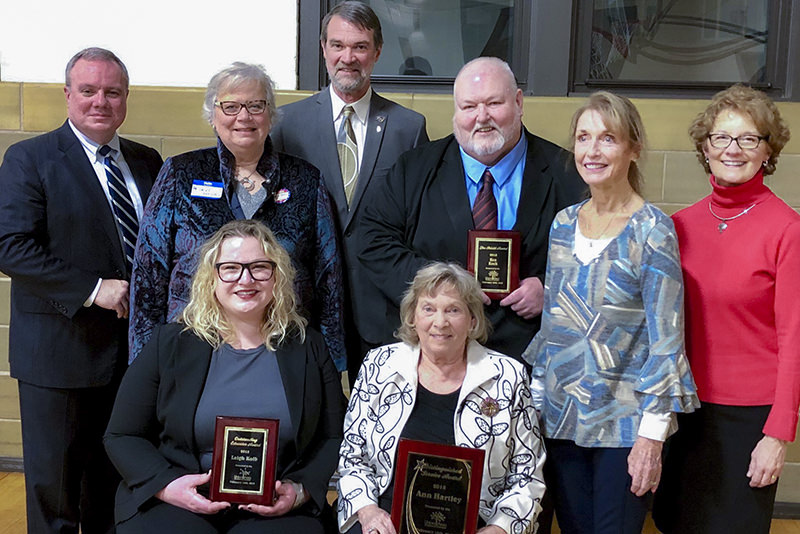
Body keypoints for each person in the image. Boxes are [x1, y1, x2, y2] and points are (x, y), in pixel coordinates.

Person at [0, 47, 163, 533]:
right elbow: (9, 246)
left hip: (132, 357)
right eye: (88, 91)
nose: (100, 102)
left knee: (113, 486)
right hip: (59, 356)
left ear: (127, 98)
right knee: (56, 493)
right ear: (67, 94)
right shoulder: (30, 158)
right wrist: (94, 289)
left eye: (112, 92)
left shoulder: (147, 160)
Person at [523, 91, 699, 534]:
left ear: (633, 148)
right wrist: (536, 410)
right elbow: (555, 327)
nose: (592, 150)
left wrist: (652, 437)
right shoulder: (563, 224)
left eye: (608, 138)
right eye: (584, 138)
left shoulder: (654, 230)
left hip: (624, 428)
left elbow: (666, 340)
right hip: (562, 421)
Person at [105, 219, 346, 533]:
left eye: (259, 267)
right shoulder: (171, 343)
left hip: (275, 504)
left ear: (277, 276)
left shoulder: (307, 346)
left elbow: (335, 434)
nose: (245, 279)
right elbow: (122, 435)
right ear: (211, 278)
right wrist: (167, 486)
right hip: (178, 497)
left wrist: (301, 491)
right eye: (230, 268)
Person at [358, 57, 585, 364]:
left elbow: (599, 259)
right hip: (435, 357)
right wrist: (438, 286)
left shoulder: (568, 174)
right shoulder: (413, 170)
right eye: (469, 107)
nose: (482, 117)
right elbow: (373, 243)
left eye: (494, 103)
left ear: (518, 102)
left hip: (534, 359)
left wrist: (553, 289)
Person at [129, 62, 345, 369]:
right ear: (212, 116)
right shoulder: (181, 173)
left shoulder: (305, 180)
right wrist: (144, 364)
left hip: (284, 349)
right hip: (191, 349)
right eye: (230, 106)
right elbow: (149, 272)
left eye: (255, 106)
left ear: (270, 115)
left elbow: (328, 278)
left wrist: (332, 362)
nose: (243, 117)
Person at [653, 84, 800, 534]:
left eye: (749, 138)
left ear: (767, 151)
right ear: (705, 146)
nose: (733, 149)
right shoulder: (679, 226)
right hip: (684, 411)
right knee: (674, 522)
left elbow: (795, 339)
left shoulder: (787, 230)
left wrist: (777, 436)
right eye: (722, 138)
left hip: (749, 419)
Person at [271, 0, 429, 383]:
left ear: (376, 53)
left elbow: (419, 219)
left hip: (381, 304)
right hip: (304, 301)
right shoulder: (286, 124)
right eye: (338, 45)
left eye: (359, 46)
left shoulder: (408, 127)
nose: (348, 57)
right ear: (323, 48)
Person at [337, 262, 545, 534]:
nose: (440, 322)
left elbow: (527, 476)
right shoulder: (380, 365)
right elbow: (353, 457)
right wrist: (369, 512)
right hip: (386, 522)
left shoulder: (508, 376)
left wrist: (499, 529)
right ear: (412, 316)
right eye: (429, 309)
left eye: (453, 310)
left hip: (476, 525)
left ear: (473, 320)